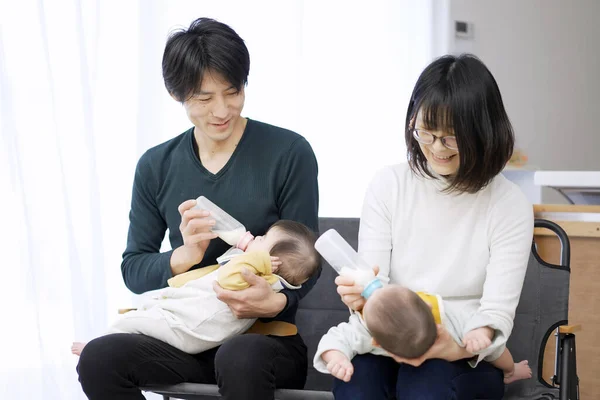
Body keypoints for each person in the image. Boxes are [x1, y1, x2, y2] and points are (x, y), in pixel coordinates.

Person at [75, 17, 320, 400]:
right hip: (186, 340)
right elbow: (134, 269)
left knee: (240, 356)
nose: (221, 110)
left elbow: (308, 261)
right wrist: (183, 257)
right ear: (177, 95)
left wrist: (275, 300)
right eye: (204, 98)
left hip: (263, 342)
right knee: (98, 357)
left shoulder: (289, 153)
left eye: (232, 92)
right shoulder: (156, 166)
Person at [333, 53, 534, 399]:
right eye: (426, 132)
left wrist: (455, 346)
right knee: (356, 385)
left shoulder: (508, 203)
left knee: (427, 389)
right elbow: (372, 284)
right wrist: (359, 297)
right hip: (392, 335)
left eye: (452, 137)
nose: (437, 148)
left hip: (466, 347)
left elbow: (495, 312)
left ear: (482, 132)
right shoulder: (389, 184)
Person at [72, 220, 320, 355]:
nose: (256, 237)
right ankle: (104, 344)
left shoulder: (257, 275)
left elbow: (228, 280)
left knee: (135, 323)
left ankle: (95, 346)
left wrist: (255, 257)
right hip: (187, 321)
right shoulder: (262, 274)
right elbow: (134, 269)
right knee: (142, 318)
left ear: (272, 263)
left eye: (264, 239)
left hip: (189, 328)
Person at [314, 284, 532, 385]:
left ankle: (511, 370)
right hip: (440, 347)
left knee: (488, 345)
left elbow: (335, 339)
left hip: (442, 361)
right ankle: (512, 370)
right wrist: (480, 331)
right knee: (493, 349)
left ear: (376, 342)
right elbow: (487, 334)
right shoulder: (443, 314)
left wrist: (337, 357)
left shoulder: (366, 330)